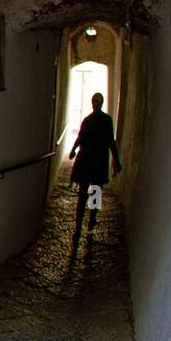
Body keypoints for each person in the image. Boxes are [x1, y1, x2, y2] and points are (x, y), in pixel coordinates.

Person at [68, 92, 122, 247]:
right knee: (91, 192)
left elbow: (108, 141)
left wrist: (74, 150)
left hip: (89, 161)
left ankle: (86, 221)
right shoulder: (104, 120)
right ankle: (86, 221)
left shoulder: (91, 120)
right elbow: (108, 141)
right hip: (95, 162)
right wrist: (73, 149)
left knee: (91, 193)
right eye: (96, 101)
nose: (96, 104)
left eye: (97, 101)